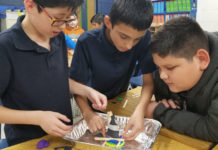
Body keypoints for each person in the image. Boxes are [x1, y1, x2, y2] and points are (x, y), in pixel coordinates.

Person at [0, 0, 107, 146]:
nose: (63, 26)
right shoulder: (5, 47)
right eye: (57, 19)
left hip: (63, 136)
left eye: (67, 19)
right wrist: (38, 118)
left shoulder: (57, 37)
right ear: (30, 5)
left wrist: (86, 90)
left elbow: (57, 78)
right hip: (27, 142)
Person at [69, 0, 155, 140]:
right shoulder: (87, 42)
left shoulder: (144, 38)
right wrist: (87, 112)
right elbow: (76, 85)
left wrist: (140, 110)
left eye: (136, 40)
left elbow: (149, 82)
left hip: (120, 99)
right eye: (123, 36)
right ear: (108, 22)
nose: (129, 45)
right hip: (91, 101)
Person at [146, 16, 218, 142]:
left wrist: (160, 112)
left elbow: (214, 130)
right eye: (159, 67)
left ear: (202, 59)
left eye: (170, 67)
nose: (162, 75)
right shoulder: (166, 72)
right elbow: (165, 102)